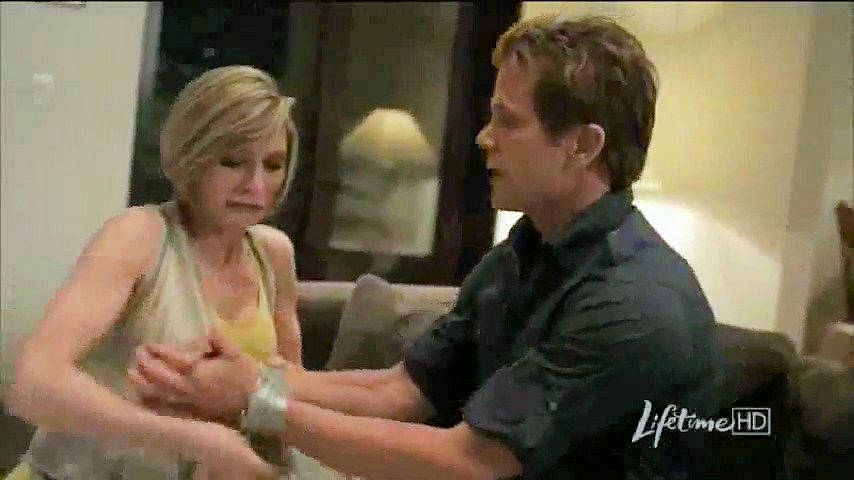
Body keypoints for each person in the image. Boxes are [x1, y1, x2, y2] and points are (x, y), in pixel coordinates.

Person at [131, 15, 724, 479]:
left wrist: (257, 402)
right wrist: (254, 376)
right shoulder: (526, 250)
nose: (484, 137)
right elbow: (404, 390)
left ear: (582, 146)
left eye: (508, 121)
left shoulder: (632, 301)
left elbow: (469, 462)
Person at [5, 65, 313, 479]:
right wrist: (190, 438)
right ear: (192, 157)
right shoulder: (139, 236)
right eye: (233, 162)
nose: (256, 186)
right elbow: (32, 384)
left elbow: (291, 394)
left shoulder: (274, 254)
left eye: (273, 165)